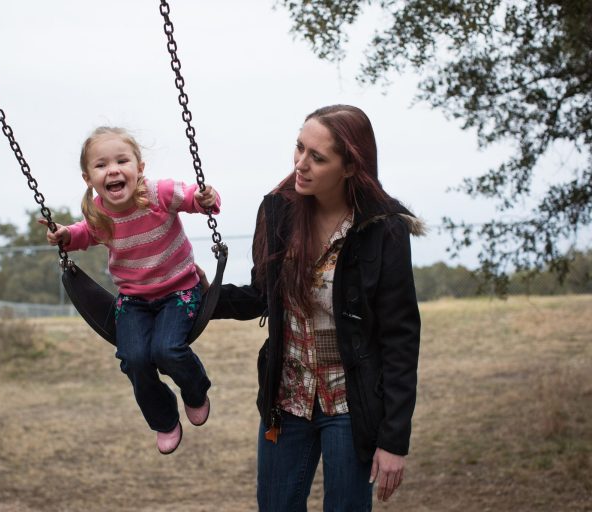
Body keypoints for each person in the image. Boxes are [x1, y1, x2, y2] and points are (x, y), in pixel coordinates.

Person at [209, 105, 424, 510]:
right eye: (299, 148)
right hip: (286, 399)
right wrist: (200, 299)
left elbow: (400, 338)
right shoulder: (278, 210)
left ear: (349, 167)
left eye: (317, 157)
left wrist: (394, 440)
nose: (300, 165)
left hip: (350, 404)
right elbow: (262, 295)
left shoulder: (383, 228)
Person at [39, 126, 219, 455]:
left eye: (122, 160)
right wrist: (66, 235)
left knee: (167, 350)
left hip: (179, 290)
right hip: (133, 301)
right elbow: (85, 234)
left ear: (139, 167)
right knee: (135, 359)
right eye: (101, 165)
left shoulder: (159, 194)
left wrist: (205, 199)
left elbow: (195, 198)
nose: (113, 170)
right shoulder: (98, 212)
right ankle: (164, 419)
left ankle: (195, 391)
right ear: (88, 178)